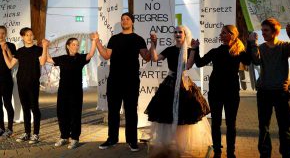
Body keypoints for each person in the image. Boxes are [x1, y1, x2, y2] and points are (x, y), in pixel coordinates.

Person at [145, 25, 212, 157]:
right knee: (167, 113)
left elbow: (187, 65)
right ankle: (171, 142)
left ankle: (182, 143)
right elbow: (154, 58)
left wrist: (193, 50)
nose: (177, 34)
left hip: (183, 84)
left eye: (180, 32)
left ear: (185, 34)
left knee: (185, 114)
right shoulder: (170, 49)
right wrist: (153, 43)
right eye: (175, 32)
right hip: (170, 83)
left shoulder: (188, 49)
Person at [97, 12, 151, 151]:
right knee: (113, 111)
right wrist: (97, 42)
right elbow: (106, 55)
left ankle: (132, 141)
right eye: (122, 19)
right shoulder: (114, 39)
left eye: (127, 19)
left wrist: (154, 44)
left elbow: (146, 57)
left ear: (132, 22)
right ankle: (112, 139)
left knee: (131, 111)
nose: (124, 21)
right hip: (114, 80)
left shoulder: (138, 39)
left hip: (131, 81)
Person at [195, 25, 251, 158]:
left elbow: (248, 61)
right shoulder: (216, 51)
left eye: (224, 33)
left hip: (231, 92)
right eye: (221, 33)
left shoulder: (238, 52)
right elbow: (199, 62)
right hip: (215, 92)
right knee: (216, 123)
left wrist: (250, 43)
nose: (221, 35)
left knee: (231, 123)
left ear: (232, 35)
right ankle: (217, 152)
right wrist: (195, 48)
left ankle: (231, 153)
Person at [248, 18, 290, 158]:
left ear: (275, 32)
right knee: (263, 127)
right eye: (262, 30)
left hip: (281, 93)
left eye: (266, 30)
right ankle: (265, 154)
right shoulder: (261, 48)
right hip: (264, 93)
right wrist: (252, 43)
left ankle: (287, 154)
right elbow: (256, 60)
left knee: (285, 127)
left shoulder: (284, 46)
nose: (263, 33)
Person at [45, 34, 97, 149]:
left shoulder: (80, 58)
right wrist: (45, 47)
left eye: (77, 45)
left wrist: (94, 41)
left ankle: (75, 138)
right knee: (62, 113)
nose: (76, 46)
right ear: (68, 46)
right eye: (73, 44)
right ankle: (64, 136)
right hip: (63, 90)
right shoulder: (62, 58)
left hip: (76, 91)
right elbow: (48, 59)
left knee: (75, 114)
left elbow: (91, 54)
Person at [2, 27, 47, 144]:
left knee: (34, 108)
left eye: (31, 35)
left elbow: (42, 62)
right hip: (21, 83)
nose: (29, 37)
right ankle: (27, 133)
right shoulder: (20, 51)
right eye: (27, 35)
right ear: (22, 37)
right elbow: (10, 65)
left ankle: (36, 134)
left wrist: (45, 47)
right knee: (25, 108)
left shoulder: (38, 49)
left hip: (33, 83)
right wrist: (4, 52)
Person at [0, 26, 16, 138]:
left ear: (6, 34)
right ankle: (1, 128)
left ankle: (10, 128)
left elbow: (12, 62)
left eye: (3, 33)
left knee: (7, 104)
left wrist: (6, 49)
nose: (1, 35)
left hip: (6, 79)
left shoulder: (11, 45)